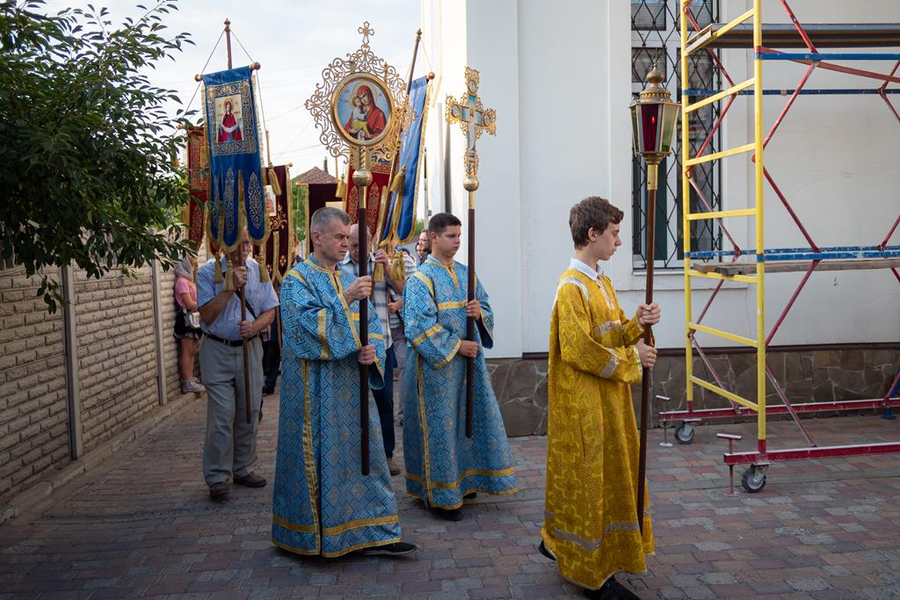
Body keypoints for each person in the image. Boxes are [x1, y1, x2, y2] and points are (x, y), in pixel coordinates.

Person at [271, 207, 417, 558]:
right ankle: (318, 536)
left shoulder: (341, 278)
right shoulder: (297, 280)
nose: (345, 243)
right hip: (314, 395)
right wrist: (348, 298)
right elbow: (302, 333)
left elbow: (368, 328)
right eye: (339, 237)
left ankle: (374, 530)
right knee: (323, 463)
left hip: (352, 391)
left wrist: (372, 353)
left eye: (347, 237)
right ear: (317, 237)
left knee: (365, 459)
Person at [539, 196, 660, 600]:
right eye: (613, 233)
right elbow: (579, 350)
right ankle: (589, 571)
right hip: (584, 406)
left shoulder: (600, 282)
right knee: (589, 483)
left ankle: (561, 543)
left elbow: (604, 335)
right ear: (592, 235)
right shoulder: (570, 288)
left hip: (608, 401)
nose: (619, 242)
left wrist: (634, 326)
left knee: (609, 477)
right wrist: (633, 359)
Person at [401, 213, 518, 521]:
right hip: (435, 372)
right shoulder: (420, 281)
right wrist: (456, 345)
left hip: (468, 369)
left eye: (459, 236)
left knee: (466, 422)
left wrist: (480, 313)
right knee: (440, 428)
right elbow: (416, 327)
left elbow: (487, 306)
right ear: (434, 237)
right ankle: (441, 494)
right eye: (451, 236)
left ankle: (464, 482)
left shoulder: (467, 274)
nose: (457, 242)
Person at [196, 230, 278, 502]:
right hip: (216, 349)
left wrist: (254, 326)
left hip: (248, 348)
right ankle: (218, 477)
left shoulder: (259, 271)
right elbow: (205, 315)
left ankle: (242, 467)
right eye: (239, 242)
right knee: (221, 415)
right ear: (224, 245)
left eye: (247, 242)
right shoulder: (208, 272)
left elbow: (270, 310)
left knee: (249, 409)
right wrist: (230, 287)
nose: (245, 248)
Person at [341, 225, 405, 477]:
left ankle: (387, 454)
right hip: (349, 347)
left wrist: (388, 268)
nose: (356, 250)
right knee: (350, 401)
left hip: (382, 345)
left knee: (384, 400)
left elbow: (404, 291)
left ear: (371, 241)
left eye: (361, 244)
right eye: (352, 244)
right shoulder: (339, 266)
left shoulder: (381, 264)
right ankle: (354, 452)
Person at [173, 255, 205, 394]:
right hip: (187, 318)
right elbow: (188, 303)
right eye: (191, 264)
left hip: (195, 317)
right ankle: (186, 381)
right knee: (186, 351)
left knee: (192, 351)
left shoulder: (189, 281)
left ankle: (191, 378)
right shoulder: (181, 282)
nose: (193, 267)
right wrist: (204, 306)